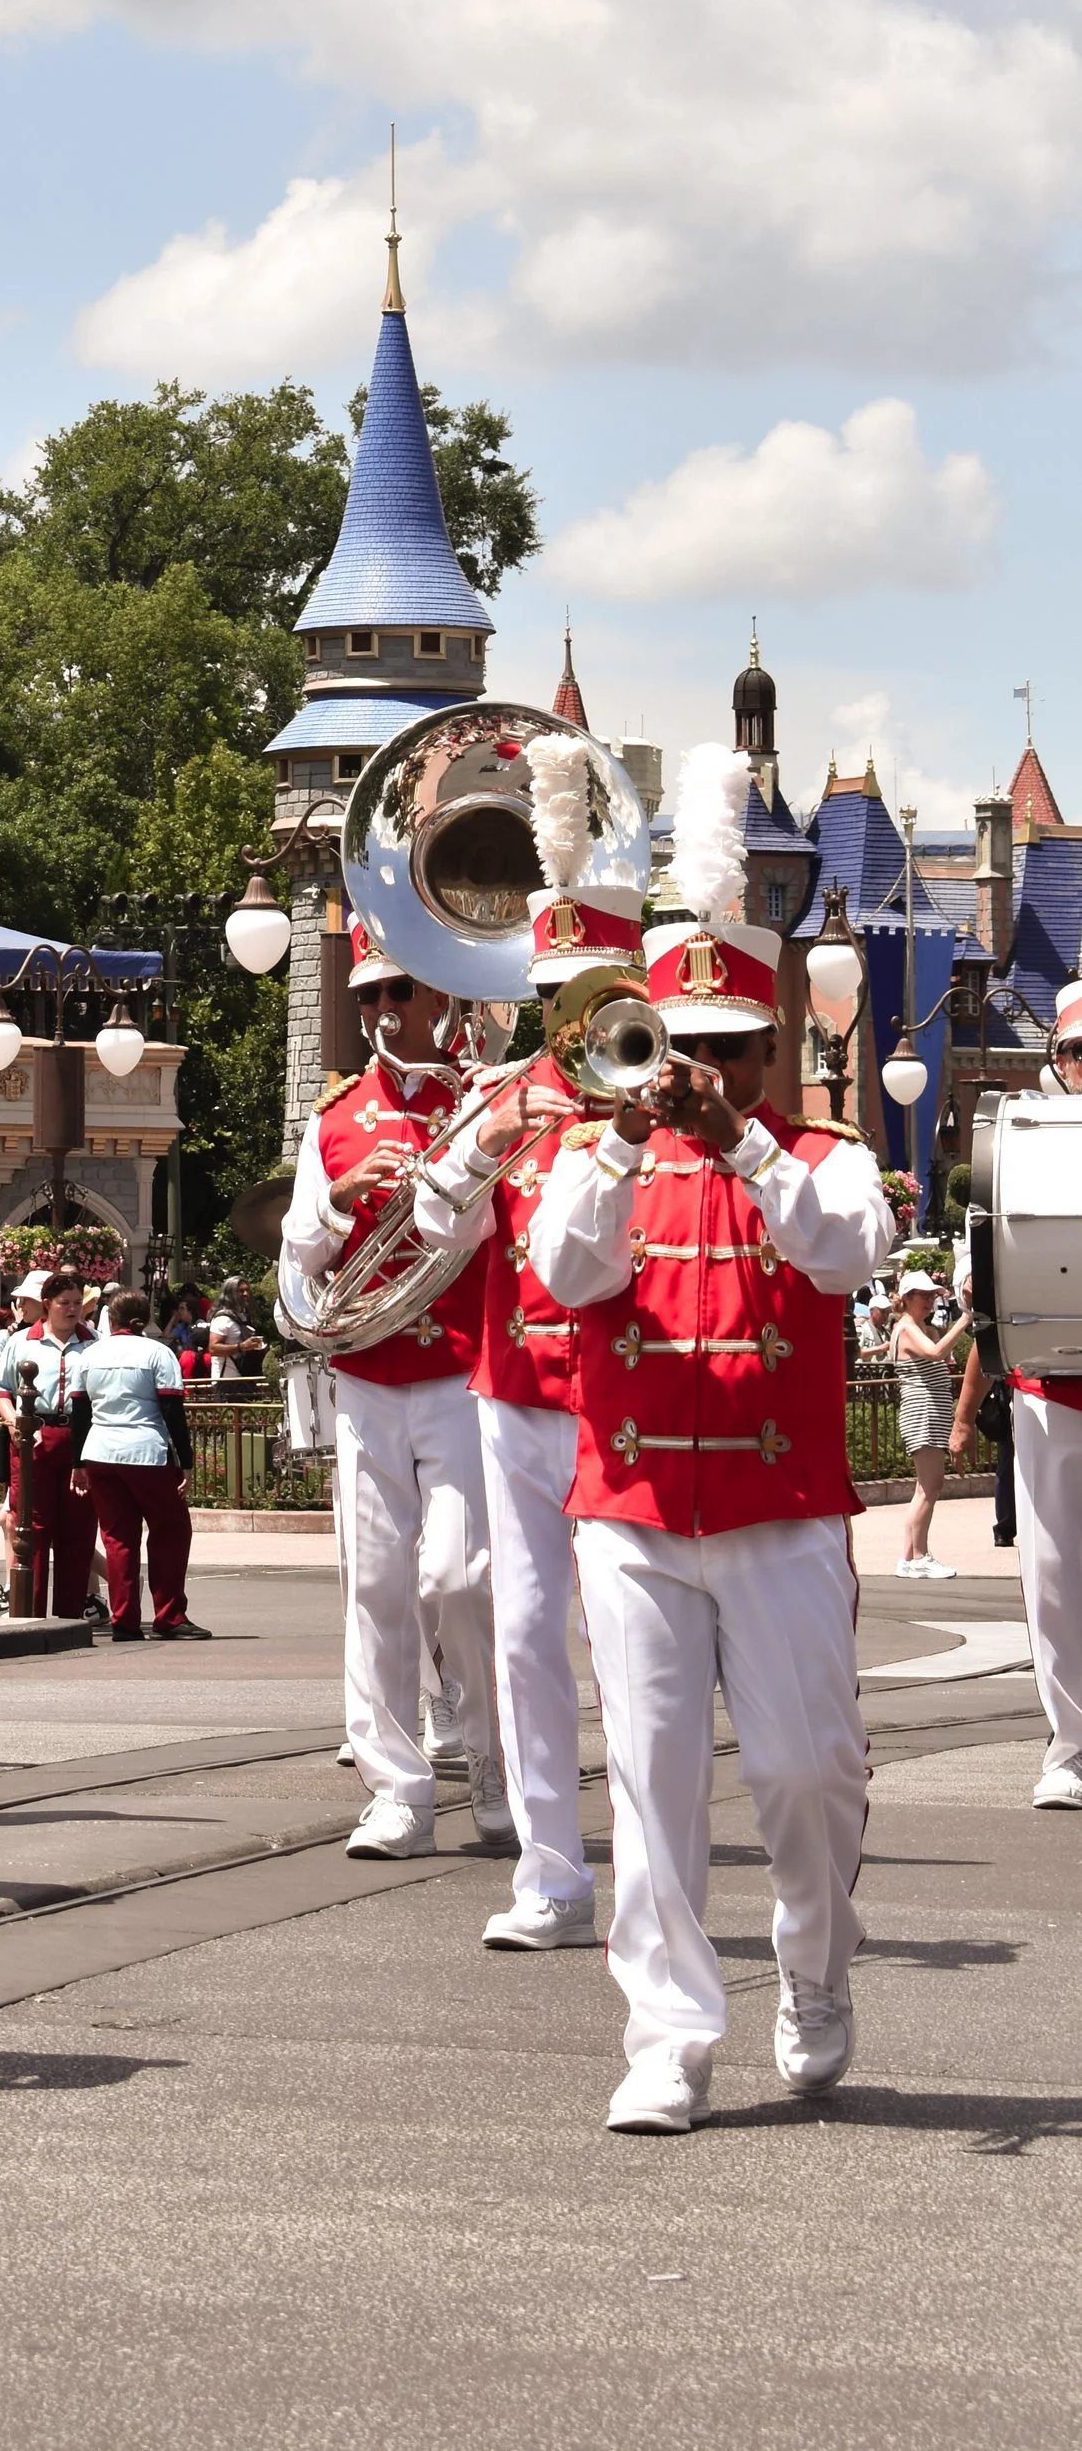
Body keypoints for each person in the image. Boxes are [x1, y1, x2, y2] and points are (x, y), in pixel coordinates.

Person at [529, 761, 897, 2135]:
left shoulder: (821, 1151)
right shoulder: (600, 1153)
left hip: (781, 1513)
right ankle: (668, 2036)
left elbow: (847, 1248)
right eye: (685, 1039)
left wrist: (743, 1143)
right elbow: (567, 1272)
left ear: (772, 1048)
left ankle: (813, 1962)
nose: (704, 1067)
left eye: (734, 1042)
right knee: (654, 1777)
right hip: (630, 1510)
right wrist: (622, 1140)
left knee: (809, 1773)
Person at [411, 784, 642, 1952]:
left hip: (622, 1397)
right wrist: (469, 1157)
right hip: (514, 1394)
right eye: (552, 997)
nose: (570, 1016)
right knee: (521, 1626)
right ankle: (552, 1872)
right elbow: (437, 1234)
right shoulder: (510, 1100)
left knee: (624, 1640)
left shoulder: (658, 1100)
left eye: (590, 994)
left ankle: (650, 1864)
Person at [280, 940, 510, 1864]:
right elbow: (298, 1254)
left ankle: (492, 1762)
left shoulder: (486, 1102)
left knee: (461, 1581)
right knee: (373, 1589)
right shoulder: (335, 1115)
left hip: (461, 1373)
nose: (382, 1007)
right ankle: (396, 1792)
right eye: (369, 992)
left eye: (399, 989)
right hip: (369, 1376)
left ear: (438, 997)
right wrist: (338, 1199)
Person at [956, 979, 1082, 1811]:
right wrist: (978, 1287)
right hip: (1051, 1389)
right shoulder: (1027, 1133)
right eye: (1076, 1051)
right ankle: (1069, 1745)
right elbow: (984, 1254)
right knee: (1055, 1574)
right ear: (1056, 1060)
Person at [70, 1292, 202, 1639]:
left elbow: (80, 1414)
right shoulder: (159, 1353)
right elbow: (174, 1413)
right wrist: (185, 1463)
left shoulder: (89, 1355)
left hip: (100, 1451)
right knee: (170, 1530)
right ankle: (169, 1617)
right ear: (144, 1320)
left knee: (117, 1538)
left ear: (110, 1321)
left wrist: (77, 1461)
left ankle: (125, 1621)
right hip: (146, 1451)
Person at [0, 1271, 99, 1618]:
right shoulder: (23, 1341)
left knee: (78, 1527)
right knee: (31, 1527)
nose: (73, 1310)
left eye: (78, 1303)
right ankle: (28, 1614)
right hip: (35, 1438)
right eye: (65, 1303)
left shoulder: (93, 1340)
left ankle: (69, 1616)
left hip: (80, 1438)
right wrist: (15, 1422)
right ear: (47, 1305)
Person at [891, 1267, 972, 1579]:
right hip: (922, 1414)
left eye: (932, 1295)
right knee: (931, 1486)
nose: (929, 1300)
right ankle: (920, 1556)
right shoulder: (908, 1329)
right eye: (923, 1295)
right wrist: (965, 1319)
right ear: (908, 1297)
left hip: (929, 1414)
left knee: (923, 1489)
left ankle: (910, 1557)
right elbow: (937, 1353)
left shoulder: (915, 1327)